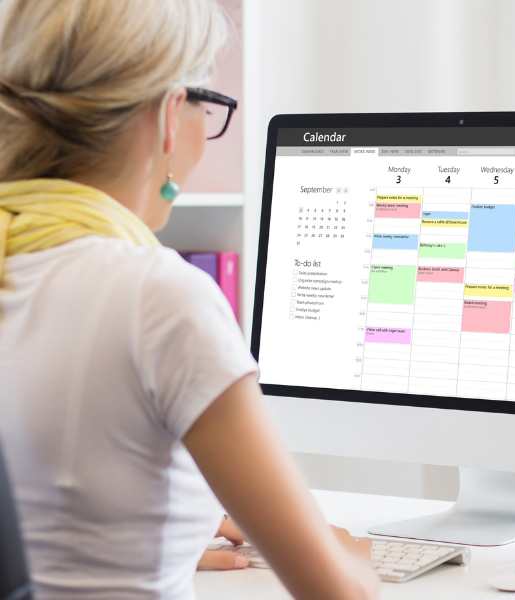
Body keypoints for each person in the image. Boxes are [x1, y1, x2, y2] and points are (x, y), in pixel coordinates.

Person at [0, 1, 379, 599]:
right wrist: (355, 558)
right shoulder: (157, 297)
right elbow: (338, 594)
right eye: (209, 105)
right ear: (171, 115)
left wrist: (167, 531)